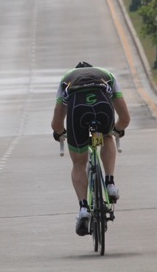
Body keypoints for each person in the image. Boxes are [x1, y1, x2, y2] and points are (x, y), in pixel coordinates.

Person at [51, 61, 130, 237]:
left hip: (78, 111)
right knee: (107, 135)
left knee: (79, 163)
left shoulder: (66, 79)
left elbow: (56, 123)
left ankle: (84, 209)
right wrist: (116, 130)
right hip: (103, 108)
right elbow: (125, 118)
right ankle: (109, 183)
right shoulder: (107, 75)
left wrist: (62, 133)